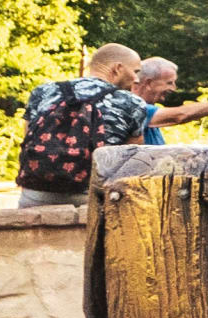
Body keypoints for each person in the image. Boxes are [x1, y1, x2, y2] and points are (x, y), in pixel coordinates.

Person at [15, 45, 158, 205]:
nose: (137, 79)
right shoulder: (131, 102)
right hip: (92, 197)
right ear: (118, 68)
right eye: (136, 71)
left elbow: (28, 137)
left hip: (36, 193)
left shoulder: (43, 92)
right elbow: (131, 161)